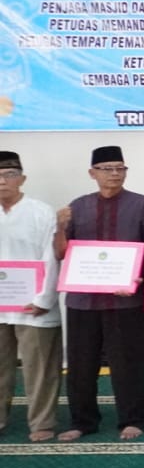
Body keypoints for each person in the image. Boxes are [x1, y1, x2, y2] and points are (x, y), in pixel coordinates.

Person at [55, 145, 144, 442]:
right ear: (92, 173)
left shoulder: (142, 205)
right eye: (107, 169)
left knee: (128, 363)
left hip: (125, 299)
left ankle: (131, 419)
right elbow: (61, 253)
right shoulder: (77, 207)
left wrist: (139, 278)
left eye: (120, 168)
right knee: (80, 365)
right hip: (82, 301)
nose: (115, 174)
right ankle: (82, 422)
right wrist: (60, 227)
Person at [0, 150, 62, 442]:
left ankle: (42, 422)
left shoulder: (41, 211)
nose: (3, 181)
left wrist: (43, 299)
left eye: (9, 175)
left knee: (40, 369)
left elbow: (51, 257)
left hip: (34, 305)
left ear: (22, 179)